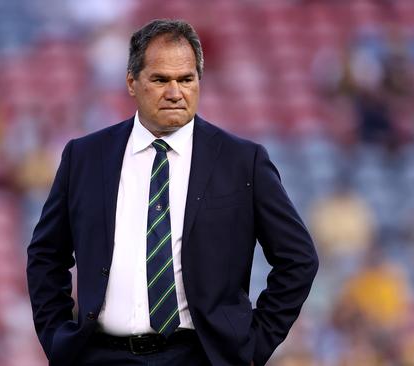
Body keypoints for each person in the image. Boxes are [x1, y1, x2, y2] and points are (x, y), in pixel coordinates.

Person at [26, 19, 318, 366]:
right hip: (102, 356)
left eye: (186, 79)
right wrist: (58, 338)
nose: (175, 92)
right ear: (132, 82)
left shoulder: (243, 162)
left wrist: (252, 345)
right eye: (161, 79)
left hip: (201, 356)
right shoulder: (85, 157)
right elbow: (46, 256)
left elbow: (299, 259)